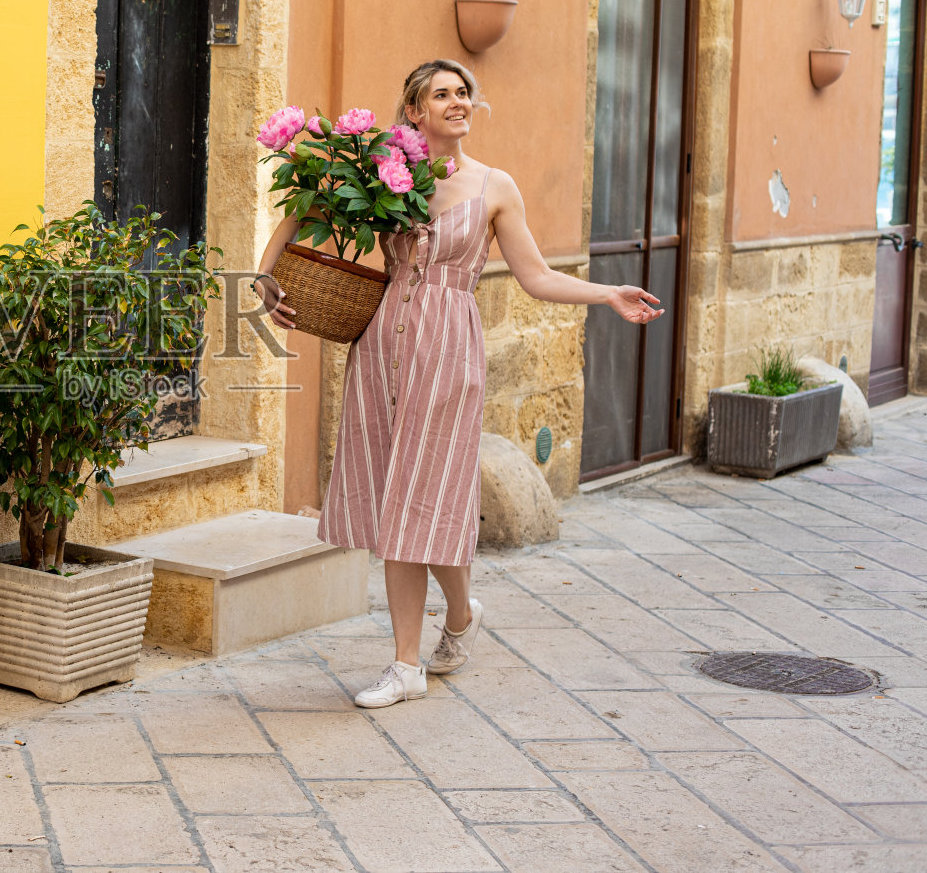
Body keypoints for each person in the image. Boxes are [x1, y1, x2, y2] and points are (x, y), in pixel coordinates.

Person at [254, 59, 663, 707]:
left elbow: (536, 276)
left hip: (449, 352)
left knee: (429, 495)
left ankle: (433, 639)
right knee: (397, 500)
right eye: (442, 94)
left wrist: (606, 292)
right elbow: (304, 206)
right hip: (382, 345)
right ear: (415, 111)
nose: (458, 101)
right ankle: (420, 652)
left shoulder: (496, 186)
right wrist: (265, 276)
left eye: (464, 92)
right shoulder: (382, 168)